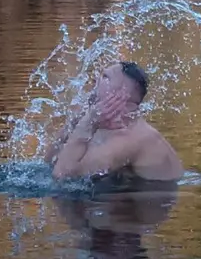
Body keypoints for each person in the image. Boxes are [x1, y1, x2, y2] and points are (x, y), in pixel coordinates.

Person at [48, 60, 183, 184]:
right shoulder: (112, 126)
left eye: (105, 77)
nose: (95, 80)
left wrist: (87, 122)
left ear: (120, 95)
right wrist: (78, 120)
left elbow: (62, 177)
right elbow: (49, 162)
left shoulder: (131, 138)